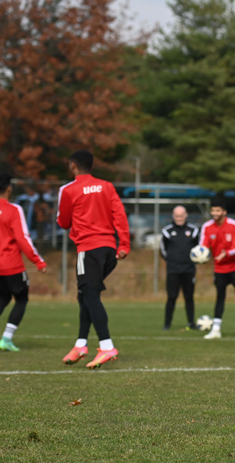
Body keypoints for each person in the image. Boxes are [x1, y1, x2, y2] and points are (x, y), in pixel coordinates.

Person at [58, 151, 130, 369]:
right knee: (85, 295)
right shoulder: (106, 186)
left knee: (89, 296)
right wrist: (124, 244)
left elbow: (63, 222)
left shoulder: (69, 190)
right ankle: (80, 344)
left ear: (72, 165)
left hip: (88, 250)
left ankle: (107, 346)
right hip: (109, 249)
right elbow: (119, 214)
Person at [0, 174, 47, 351]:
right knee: (21, 299)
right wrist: (38, 261)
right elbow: (22, 238)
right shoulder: (13, 209)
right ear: (9, 189)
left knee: (3, 297)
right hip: (11, 266)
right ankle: (6, 338)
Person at [199, 199, 235, 340]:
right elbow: (203, 246)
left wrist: (225, 253)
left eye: (218, 211)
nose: (214, 213)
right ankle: (216, 329)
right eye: (213, 210)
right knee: (220, 296)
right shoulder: (207, 227)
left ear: (224, 212)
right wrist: (201, 255)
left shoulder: (234, 225)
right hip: (219, 268)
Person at [160, 205, 200, 331]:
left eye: (181, 215)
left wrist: (193, 261)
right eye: (177, 216)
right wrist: (173, 261)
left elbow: (199, 249)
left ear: (186, 215)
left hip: (189, 270)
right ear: (173, 216)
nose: (179, 218)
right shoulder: (167, 231)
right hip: (173, 270)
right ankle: (167, 324)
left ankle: (191, 323)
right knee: (172, 297)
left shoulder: (193, 231)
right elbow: (163, 250)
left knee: (189, 297)